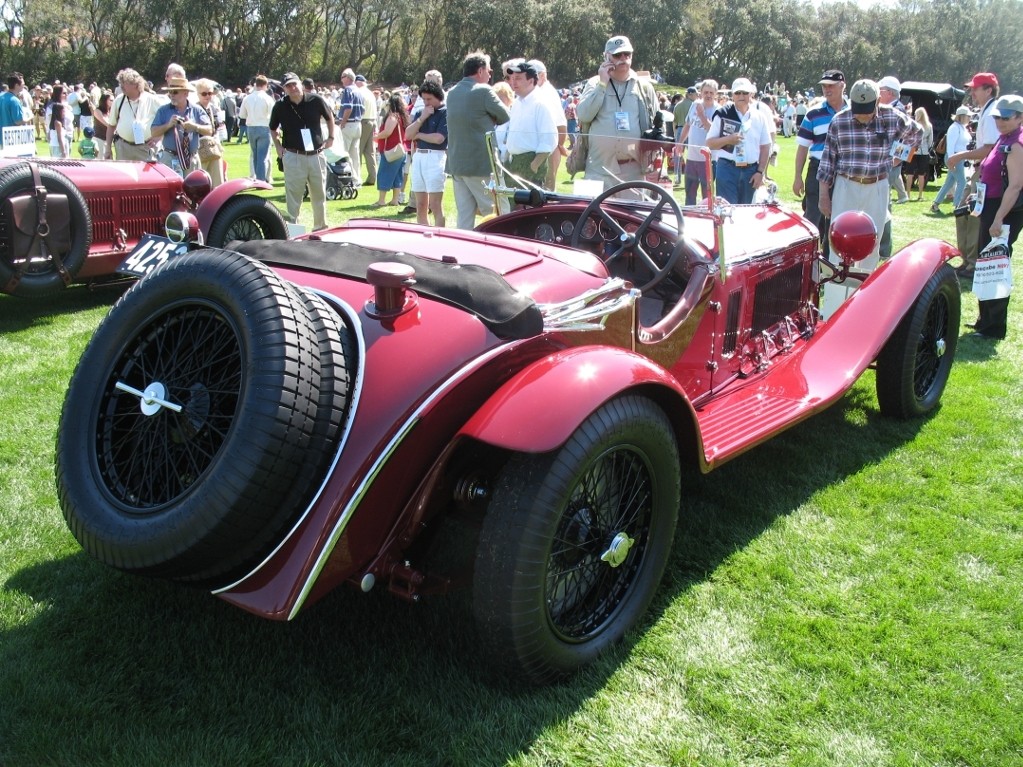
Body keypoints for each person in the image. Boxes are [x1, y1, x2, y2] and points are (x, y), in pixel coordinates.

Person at [817, 79, 922, 272]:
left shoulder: (893, 117)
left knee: (871, 241)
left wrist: (899, 156)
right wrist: (824, 196)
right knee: (838, 240)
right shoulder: (839, 121)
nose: (862, 115)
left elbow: (917, 133)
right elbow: (827, 161)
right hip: (846, 184)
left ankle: (863, 291)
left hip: (877, 185)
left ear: (877, 101)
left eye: (866, 109)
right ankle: (836, 293)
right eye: (858, 109)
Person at [967, 94, 1023, 340]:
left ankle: (993, 327)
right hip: (990, 206)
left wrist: (999, 218)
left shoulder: (1017, 143)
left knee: (996, 265)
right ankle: (984, 320)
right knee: (986, 263)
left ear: (1019, 118)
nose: (1000, 121)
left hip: (1004, 210)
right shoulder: (1005, 138)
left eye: (1006, 117)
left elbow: (1015, 185)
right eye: (997, 117)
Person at [575, 35, 659, 190]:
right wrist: (603, 84)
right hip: (597, 169)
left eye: (627, 54)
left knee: (632, 215)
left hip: (633, 171)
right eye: (617, 55)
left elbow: (657, 127)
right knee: (592, 214)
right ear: (607, 57)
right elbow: (584, 114)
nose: (623, 58)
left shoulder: (644, 87)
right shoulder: (594, 83)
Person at [445, 50, 511, 229]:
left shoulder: (451, 93)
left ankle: (463, 252)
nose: (490, 75)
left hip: (457, 164)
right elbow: (505, 116)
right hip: (482, 165)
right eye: (489, 71)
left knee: (464, 217)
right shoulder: (483, 91)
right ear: (480, 71)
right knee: (498, 214)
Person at [947, 72, 1001, 278]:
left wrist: (960, 155)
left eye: (975, 89)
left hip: (985, 170)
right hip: (980, 169)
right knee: (964, 211)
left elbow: (990, 148)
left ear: (988, 90)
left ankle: (972, 262)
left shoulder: (991, 113)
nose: (972, 93)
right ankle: (967, 260)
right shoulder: (986, 112)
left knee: (972, 214)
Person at [270, 72, 335, 232]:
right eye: (288, 86)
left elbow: (329, 117)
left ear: (300, 84)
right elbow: (272, 128)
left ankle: (320, 228)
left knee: (319, 194)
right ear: (284, 89)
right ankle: (293, 231)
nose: (292, 88)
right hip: (293, 155)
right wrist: (278, 146)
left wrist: (331, 137)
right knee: (293, 197)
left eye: (294, 84)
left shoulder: (316, 100)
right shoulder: (280, 106)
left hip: (316, 154)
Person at [793, 70, 847, 236]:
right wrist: (797, 176)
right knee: (813, 217)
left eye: (831, 85)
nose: (826, 89)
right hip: (817, 168)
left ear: (842, 85)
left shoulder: (854, 112)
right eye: (824, 86)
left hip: (844, 170)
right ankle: (810, 256)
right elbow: (802, 147)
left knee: (840, 217)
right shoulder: (813, 114)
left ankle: (834, 257)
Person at [706, 77, 772, 204]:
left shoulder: (759, 117)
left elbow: (765, 146)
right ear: (732, 95)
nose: (741, 96)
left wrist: (760, 172)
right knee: (727, 210)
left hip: (751, 171)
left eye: (745, 93)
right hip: (727, 168)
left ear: (751, 94)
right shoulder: (722, 114)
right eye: (737, 93)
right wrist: (728, 140)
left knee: (746, 211)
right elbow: (709, 143)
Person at [503, 60, 557, 188]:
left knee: (529, 207)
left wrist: (534, 165)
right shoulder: (517, 103)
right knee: (513, 206)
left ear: (531, 81)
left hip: (531, 163)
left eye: (518, 78)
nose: (513, 82)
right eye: (512, 78)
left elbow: (549, 139)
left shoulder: (541, 103)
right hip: (514, 163)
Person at [404, 80, 447, 227]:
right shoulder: (420, 113)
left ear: (438, 97)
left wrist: (420, 135)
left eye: (429, 99)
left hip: (435, 157)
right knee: (420, 205)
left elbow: (439, 138)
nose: (426, 102)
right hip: (419, 157)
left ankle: (439, 236)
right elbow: (408, 134)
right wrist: (422, 118)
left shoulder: (445, 112)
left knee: (435, 205)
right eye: (424, 99)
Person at [150, 77, 211, 176]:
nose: (171, 95)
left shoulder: (197, 110)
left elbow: (209, 130)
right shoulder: (163, 110)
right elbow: (153, 132)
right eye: (170, 92)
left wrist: (195, 127)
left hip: (191, 159)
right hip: (170, 158)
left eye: (175, 92)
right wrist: (168, 125)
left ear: (185, 93)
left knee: (193, 189)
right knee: (171, 190)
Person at [105, 68, 160, 161]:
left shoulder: (152, 100)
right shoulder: (118, 100)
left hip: (145, 148)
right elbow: (111, 126)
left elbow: (166, 121)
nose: (121, 86)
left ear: (135, 84)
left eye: (124, 82)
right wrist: (108, 149)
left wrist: (158, 138)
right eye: (120, 82)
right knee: (123, 175)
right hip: (123, 148)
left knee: (145, 176)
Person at [678, 79, 717, 205]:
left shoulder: (719, 110)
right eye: (706, 92)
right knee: (690, 192)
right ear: (701, 92)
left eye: (711, 92)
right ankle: (689, 217)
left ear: (716, 93)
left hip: (708, 159)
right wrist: (680, 143)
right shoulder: (695, 105)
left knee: (707, 195)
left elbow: (713, 130)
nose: (708, 95)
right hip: (692, 157)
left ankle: (706, 218)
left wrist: (702, 116)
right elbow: (687, 125)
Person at [931, 106, 973, 212]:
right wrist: (951, 161)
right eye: (968, 116)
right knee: (962, 182)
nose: (970, 118)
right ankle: (957, 205)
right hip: (954, 157)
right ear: (962, 116)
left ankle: (935, 204)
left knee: (949, 182)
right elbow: (950, 146)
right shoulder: (954, 128)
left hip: (959, 157)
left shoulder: (962, 127)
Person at [374, 93, 409, 206]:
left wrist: (376, 136)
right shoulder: (402, 117)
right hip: (400, 150)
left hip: (391, 149)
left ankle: (381, 200)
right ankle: (395, 200)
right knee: (397, 175)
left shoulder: (393, 116)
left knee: (384, 173)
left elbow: (387, 132)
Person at [195, 79, 225, 186]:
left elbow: (219, 129)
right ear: (198, 94)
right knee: (201, 183)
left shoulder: (214, 108)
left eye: (210, 93)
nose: (207, 96)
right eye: (204, 94)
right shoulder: (194, 109)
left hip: (214, 149)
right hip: (200, 150)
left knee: (218, 182)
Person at [336, 69, 364, 184]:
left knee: (344, 153)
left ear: (348, 77)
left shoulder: (348, 90)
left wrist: (342, 123)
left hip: (348, 124)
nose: (341, 79)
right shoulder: (359, 91)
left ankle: (348, 178)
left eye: (342, 77)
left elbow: (348, 108)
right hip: (358, 124)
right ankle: (357, 179)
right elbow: (363, 109)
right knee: (355, 154)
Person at [354, 75, 378, 186]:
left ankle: (356, 177)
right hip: (372, 121)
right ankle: (372, 177)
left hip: (363, 122)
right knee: (370, 151)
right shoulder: (370, 93)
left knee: (358, 150)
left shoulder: (360, 92)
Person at [905, 107, 933, 201]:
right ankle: (920, 195)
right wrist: (926, 147)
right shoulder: (928, 126)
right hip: (923, 151)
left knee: (909, 173)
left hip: (912, 150)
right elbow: (930, 141)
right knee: (921, 174)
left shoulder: (913, 124)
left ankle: (908, 194)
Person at [0, 73, 29, 144]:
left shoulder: (1, 96)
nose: (24, 85)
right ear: (16, 85)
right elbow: (18, 121)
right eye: (22, 84)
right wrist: (30, 117)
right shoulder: (14, 100)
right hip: (11, 139)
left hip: (2, 137)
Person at [46, 84, 72, 158]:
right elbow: (49, 122)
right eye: (64, 93)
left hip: (68, 133)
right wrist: (48, 133)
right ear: (58, 94)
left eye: (66, 93)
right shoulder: (53, 106)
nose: (66, 95)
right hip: (57, 139)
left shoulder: (65, 105)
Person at [93, 92, 113, 159]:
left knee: (110, 160)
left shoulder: (111, 111)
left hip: (108, 140)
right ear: (104, 101)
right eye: (111, 100)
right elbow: (107, 123)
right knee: (101, 160)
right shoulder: (97, 111)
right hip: (99, 139)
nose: (113, 102)